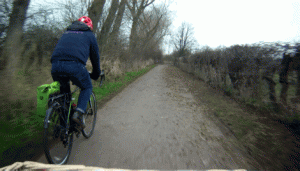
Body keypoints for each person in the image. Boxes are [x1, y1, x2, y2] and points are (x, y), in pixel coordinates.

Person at [51, 16, 101, 129]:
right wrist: (96, 74)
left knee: (65, 95)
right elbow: (95, 59)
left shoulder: (66, 32)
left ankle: (63, 125)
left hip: (55, 66)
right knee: (87, 86)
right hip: (74, 66)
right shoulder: (89, 35)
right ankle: (78, 114)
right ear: (90, 27)